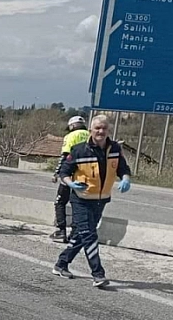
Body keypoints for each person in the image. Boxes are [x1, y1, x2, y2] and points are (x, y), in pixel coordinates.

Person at [52, 114, 131, 288]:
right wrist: (71, 183)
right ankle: (98, 274)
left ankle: (61, 263)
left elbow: (123, 168)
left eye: (104, 128)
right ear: (90, 130)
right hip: (81, 199)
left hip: (101, 200)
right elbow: (64, 172)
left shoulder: (115, 149)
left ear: (108, 130)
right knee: (89, 235)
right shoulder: (79, 150)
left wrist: (125, 178)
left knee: (82, 235)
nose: (101, 131)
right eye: (97, 128)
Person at [51, 115, 90, 243]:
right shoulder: (91, 135)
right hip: (87, 176)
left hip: (70, 175)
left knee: (60, 202)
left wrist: (57, 172)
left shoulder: (70, 136)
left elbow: (65, 156)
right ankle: (75, 233)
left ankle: (61, 231)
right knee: (78, 204)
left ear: (72, 126)